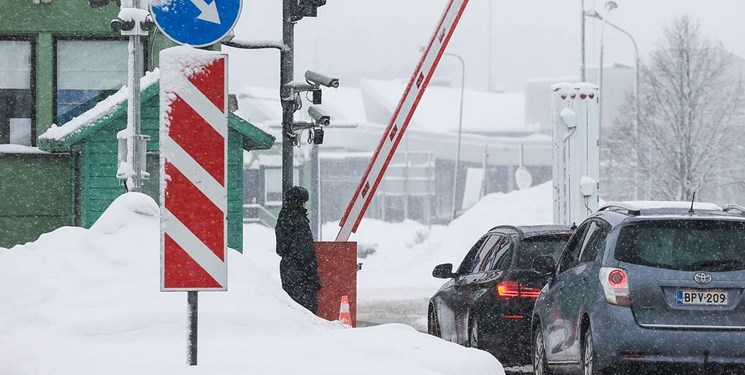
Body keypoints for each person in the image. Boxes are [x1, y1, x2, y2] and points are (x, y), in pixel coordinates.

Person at [275, 186, 321, 313]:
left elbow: (280, 248)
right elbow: (305, 252)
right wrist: (313, 277)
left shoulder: (282, 219)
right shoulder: (299, 222)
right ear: (300, 202)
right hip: (301, 273)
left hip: (287, 269)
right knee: (306, 309)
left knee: (292, 306)